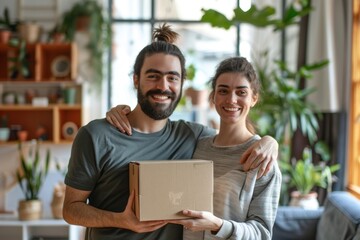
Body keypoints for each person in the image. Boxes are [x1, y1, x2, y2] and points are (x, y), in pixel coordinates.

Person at [63, 24, 278, 240]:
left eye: (172, 77)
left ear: (182, 84)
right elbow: (71, 210)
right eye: (153, 76)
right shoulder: (96, 135)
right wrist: (121, 220)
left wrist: (269, 142)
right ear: (136, 79)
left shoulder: (192, 136)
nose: (163, 86)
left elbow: (233, 134)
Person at [107, 56, 282, 240]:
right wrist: (121, 114)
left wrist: (218, 226)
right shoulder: (197, 143)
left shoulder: (262, 158)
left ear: (254, 98)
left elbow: (262, 233)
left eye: (241, 92)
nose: (231, 99)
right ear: (213, 97)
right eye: (223, 90)